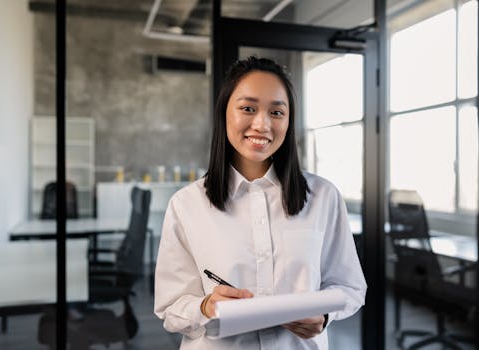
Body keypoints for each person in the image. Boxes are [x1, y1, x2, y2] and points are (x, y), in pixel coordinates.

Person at [154, 56, 367, 349]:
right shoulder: (186, 204)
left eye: (276, 112)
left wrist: (326, 314)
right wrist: (205, 306)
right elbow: (170, 307)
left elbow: (351, 286)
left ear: (289, 120)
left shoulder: (324, 197)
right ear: (224, 113)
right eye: (248, 108)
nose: (262, 124)